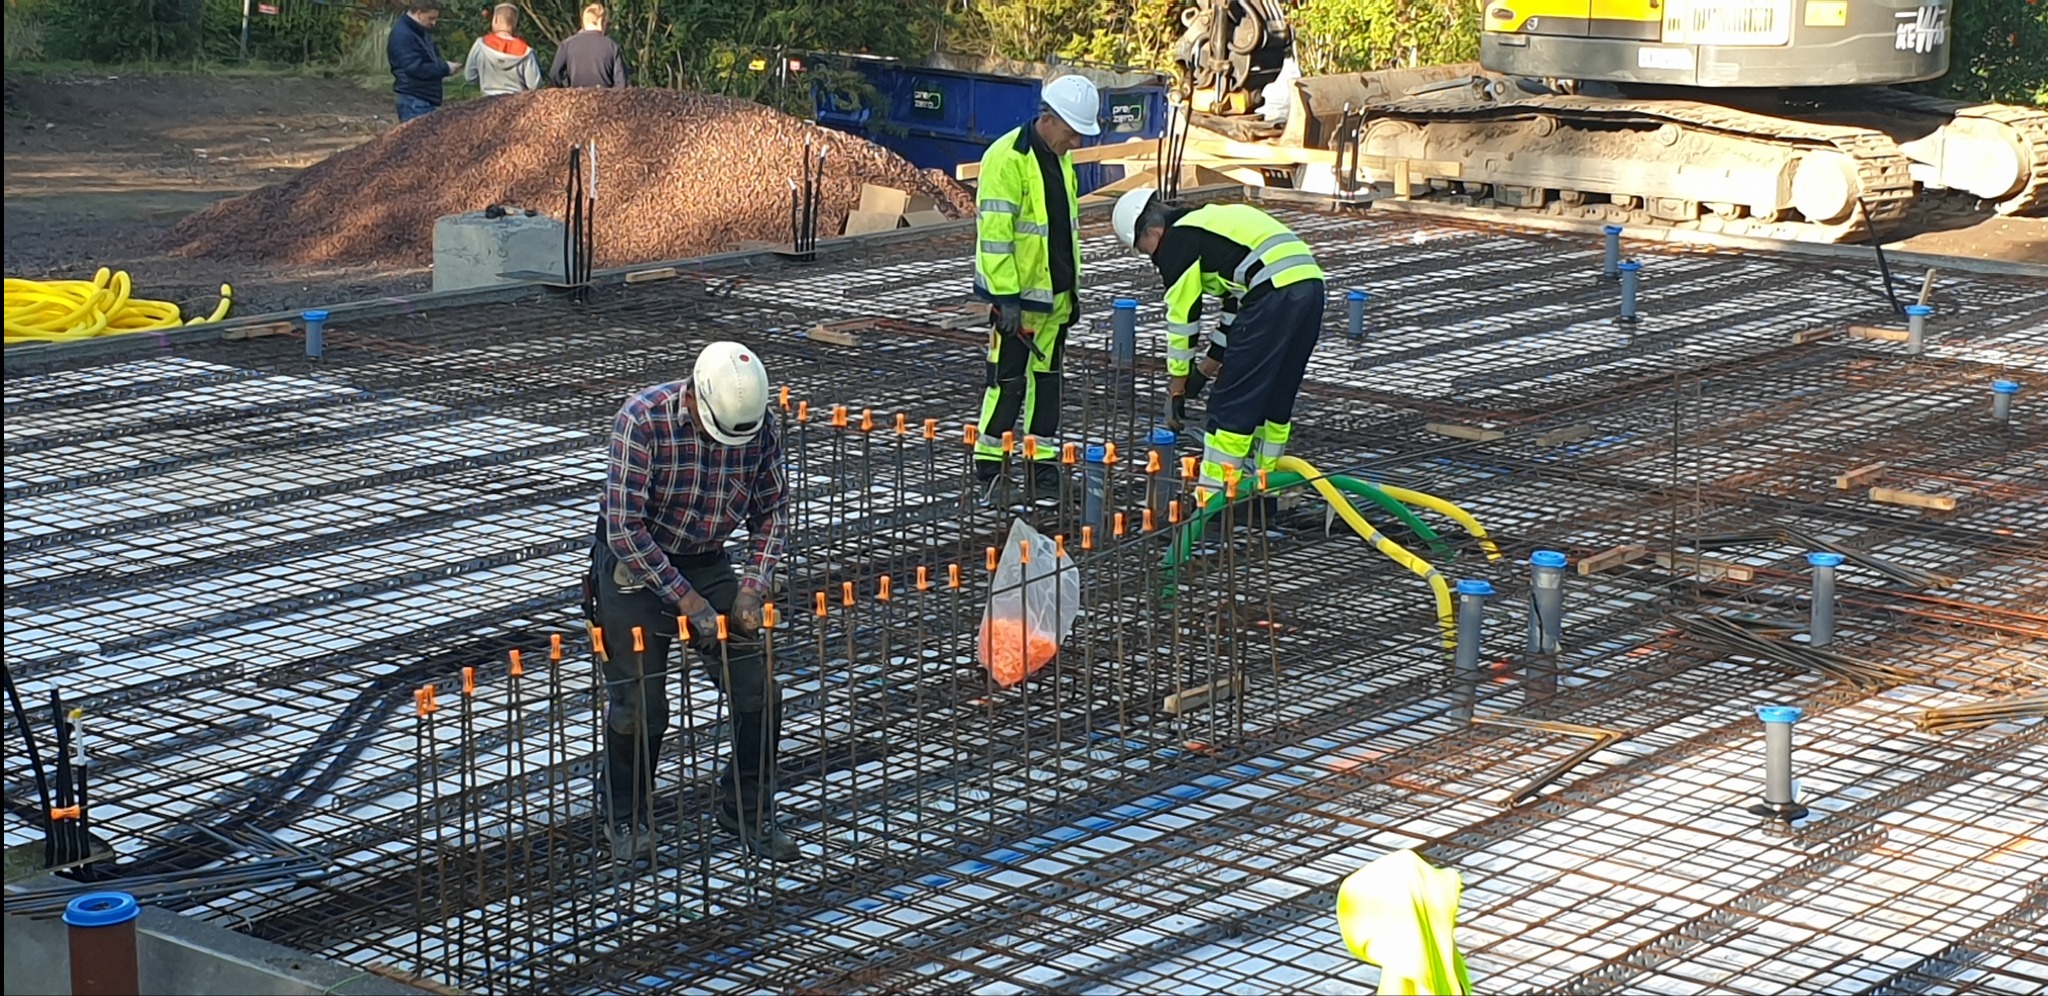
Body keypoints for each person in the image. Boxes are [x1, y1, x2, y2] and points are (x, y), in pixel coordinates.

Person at [586, 341, 797, 863]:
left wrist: (753, 585)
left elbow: (772, 510)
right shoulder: (642, 420)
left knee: (759, 692)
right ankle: (623, 813)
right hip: (636, 563)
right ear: (696, 398)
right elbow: (624, 527)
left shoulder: (757, 424)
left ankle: (745, 810)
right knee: (642, 708)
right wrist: (687, 601)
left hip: (706, 558)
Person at [1112, 190, 1326, 505]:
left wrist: (1177, 384)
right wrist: (1203, 371)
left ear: (1152, 232)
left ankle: (1214, 501)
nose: (1152, 259)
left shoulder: (1176, 241)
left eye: (1144, 251)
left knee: (1231, 403)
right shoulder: (1210, 225)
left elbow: (1183, 318)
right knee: (1275, 399)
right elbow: (1235, 312)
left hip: (1272, 294)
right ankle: (1265, 492)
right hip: (1310, 289)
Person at [969, 75, 1101, 507]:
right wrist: (1005, 298)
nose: (1076, 141)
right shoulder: (1007, 158)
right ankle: (990, 470)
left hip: (1055, 298)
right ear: (1049, 119)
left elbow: (1062, 232)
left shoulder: (1060, 159)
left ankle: (1041, 468)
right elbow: (995, 237)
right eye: (1073, 132)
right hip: (1019, 303)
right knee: (1006, 384)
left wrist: (1071, 292)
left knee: (1047, 384)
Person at [387, 0, 461, 123]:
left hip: (419, 98)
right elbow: (415, 69)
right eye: (431, 18)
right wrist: (445, 68)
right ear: (419, 13)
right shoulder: (404, 35)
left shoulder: (417, 30)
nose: (434, 23)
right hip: (414, 99)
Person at [464, 3, 542, 97]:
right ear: (515, 23)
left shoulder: (480, 45)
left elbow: (470, 77)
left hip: (487, 101)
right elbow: (534, 85)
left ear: (496, 20)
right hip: (517, 102)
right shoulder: (525, 51)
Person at [551, 3, 629, 89]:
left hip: (576, 96)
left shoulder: (567, 45)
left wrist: (565, 93)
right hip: (604, 96)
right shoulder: (612, 46)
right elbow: (621, 83)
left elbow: (555, 74)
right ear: (600, 21)